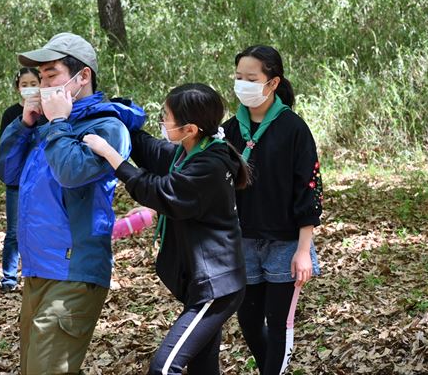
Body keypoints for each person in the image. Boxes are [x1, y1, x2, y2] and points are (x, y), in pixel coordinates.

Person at [0, 32, 145, 374]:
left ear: (83, 77)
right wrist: (24, 125)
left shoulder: (108, 127)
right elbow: (9, 173)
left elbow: (72, 172)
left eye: (51, 75)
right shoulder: (45, 127)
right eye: (40, 77)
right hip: (36, 270)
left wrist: (60, 122)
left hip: (72, 271)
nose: (42, 85)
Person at [84, 83, 249, 375]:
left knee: (163, 368)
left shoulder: (209, 164)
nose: (163, 121)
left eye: (167, 117)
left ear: (190, 128)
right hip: (204, 281)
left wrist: (111, 155)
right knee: (203, 367)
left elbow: (158, 190)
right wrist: (116, 115)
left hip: (217, 286)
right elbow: (148, 150)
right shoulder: (188, 152)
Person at [222, 45, 323, 375]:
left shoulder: (293, 128)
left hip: (285, 244)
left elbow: (309, 189)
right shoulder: (228, 131)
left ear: (273, 82)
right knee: (249, 321)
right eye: (238, 77)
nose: (243, 84)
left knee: (278, 324)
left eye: (251, 78)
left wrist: (304, 250)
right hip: (243, 242)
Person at [0, 67, 43, 293]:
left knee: (39, 229)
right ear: (18, 87)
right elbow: (6, 149)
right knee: (14, 231)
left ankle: (36, 276)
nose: (29, 88)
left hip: (40, 182)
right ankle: (8, 278)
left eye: (33, 83)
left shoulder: (48, 112)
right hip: (16, 183)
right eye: (25, 84)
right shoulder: (10, 114)